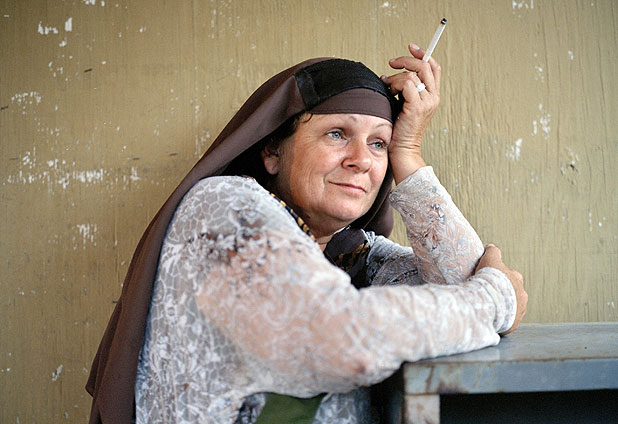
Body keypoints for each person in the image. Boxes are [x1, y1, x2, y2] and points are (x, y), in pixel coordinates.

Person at [86, 45, 527, 423]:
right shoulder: (223, 211)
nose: (362, 160)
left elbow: (462, 284)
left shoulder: (353, 250)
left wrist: (408, 153)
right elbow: (338, 339)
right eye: (337, 134)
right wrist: (494, 298)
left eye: (379, 144)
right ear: (272, 151)